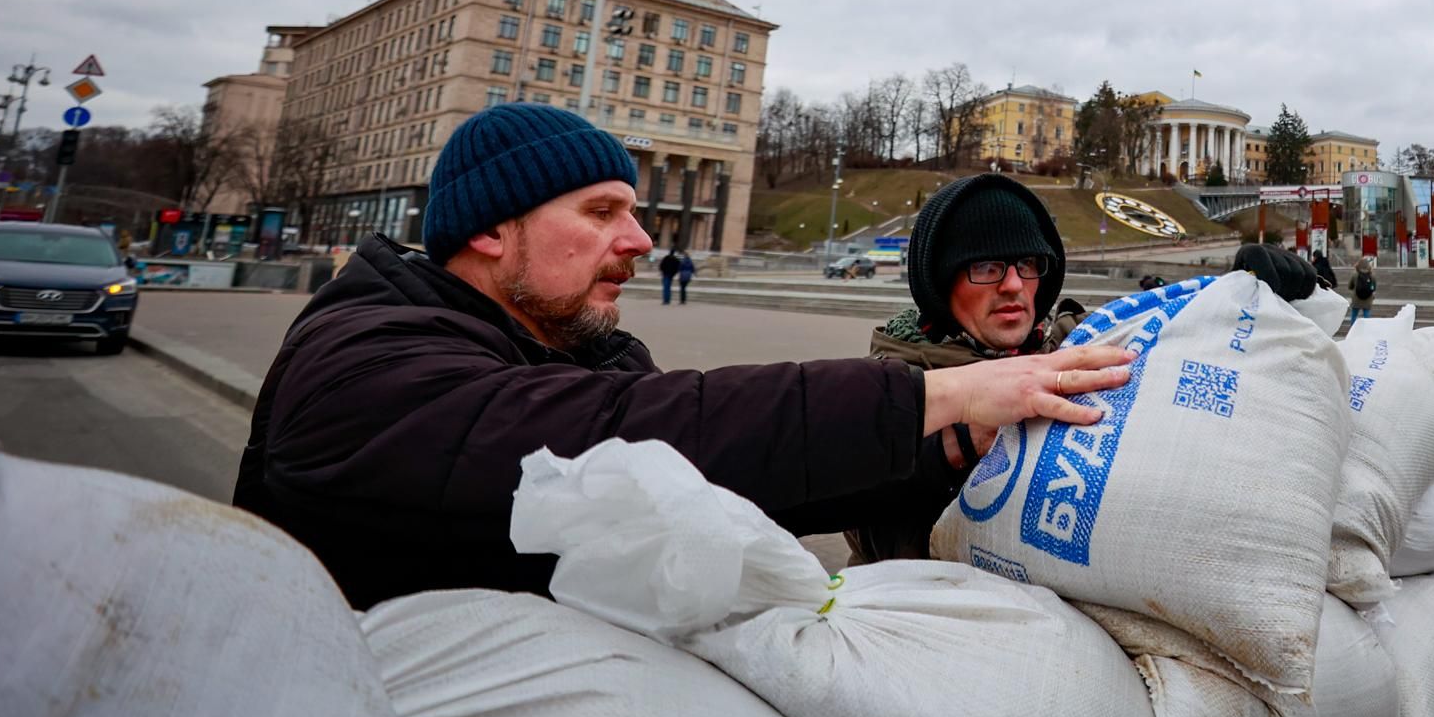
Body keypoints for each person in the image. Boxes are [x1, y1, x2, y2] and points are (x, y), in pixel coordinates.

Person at [232, 106, 1130, 610]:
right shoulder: (360, 360)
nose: (638, 240)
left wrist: (947, 449)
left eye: (634, 212)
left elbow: (727, 482)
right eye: (599, 213)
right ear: (490, 229)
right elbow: (623, 445)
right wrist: (934, 396)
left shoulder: (592, 353)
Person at [848, 174, 1085, 564]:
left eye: (1028, 263)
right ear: (940, 282)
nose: (1013, 284)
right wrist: (956, 447)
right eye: (987, 266)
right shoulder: (889, 385)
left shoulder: (1081, 346)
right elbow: (871, 535)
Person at [1231, 240, 1317, 303]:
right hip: (1306, 283)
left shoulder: (1252, 253)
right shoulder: (1250, 253)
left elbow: (1271, 284)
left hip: (1300, 284)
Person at [1349, 255, 1378, 322]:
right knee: (1366, 315)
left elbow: (1350, 286)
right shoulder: (1372, 276)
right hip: (1368, 298)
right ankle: (1366, 330)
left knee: (1354, 315)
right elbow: (1374, 288)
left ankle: (1352, 330)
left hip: (1356, 298)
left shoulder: (1355, 275)